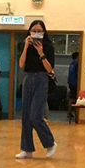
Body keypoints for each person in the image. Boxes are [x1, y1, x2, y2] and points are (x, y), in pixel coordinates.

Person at [15, 20, 57, 159]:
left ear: (44, 32)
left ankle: (50, 143)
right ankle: (27, 149)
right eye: (34, 30)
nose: (36, 33)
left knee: (35, 115)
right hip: (28, 79)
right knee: (26, 116)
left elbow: (49, 69)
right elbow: (21, 64)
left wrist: (41, 53)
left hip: (42, 79)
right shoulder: (26, 44)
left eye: (39, 31)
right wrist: (26, 46)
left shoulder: (48, 47)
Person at [66, 51, 80, 122]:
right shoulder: (77, 64)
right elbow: (78, 73)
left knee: (71, 97)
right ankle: (71, 112)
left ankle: (69, 112)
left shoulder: (72, 64)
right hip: (74, 83)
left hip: (70, 82)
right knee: (73, 98)